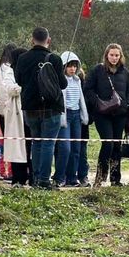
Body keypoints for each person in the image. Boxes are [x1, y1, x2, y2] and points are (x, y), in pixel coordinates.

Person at [15, 27, 67, 190]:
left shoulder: (22, 58)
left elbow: (19, 81)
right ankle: (45, 180)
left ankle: (36, 178)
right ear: (48, 40)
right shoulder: (55, 59)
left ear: (32, 40)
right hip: (51, 107)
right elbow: (63, 84)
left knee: (36, 142)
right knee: (48, 143)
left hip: (30, 107)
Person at [84, 43, 129, 187]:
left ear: (121, 56)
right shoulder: (98, 70)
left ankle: (115, 179)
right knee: (108, 144)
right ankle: (99, 177)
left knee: (117, 146)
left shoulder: (125, 72)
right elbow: (88, 89)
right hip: (102, 114)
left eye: (117, 55)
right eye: (111, 55)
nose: (114, 58)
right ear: (107, 55)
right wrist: (97, 103)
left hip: (120, 114)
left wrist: (127, 104)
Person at [0, 46, 32, 187]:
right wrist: (23, 87)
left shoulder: (28, 71)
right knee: (17, 145)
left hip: (27, 112)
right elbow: (8, 88)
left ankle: (30, 175)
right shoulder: (9, 72)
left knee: (29, 146)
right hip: (15, 114)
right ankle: (18, 176)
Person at [54, 51, 89, 187]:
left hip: (76, 116)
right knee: (65, 148)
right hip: (65, 116)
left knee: (76, 149)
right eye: (69, 66)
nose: (72, 69)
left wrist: (83, 115)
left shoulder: (77, 80)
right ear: (64, 66)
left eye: (75, 66)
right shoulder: (61, 80)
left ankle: (71, 178)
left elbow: (80, 99)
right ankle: (59, 177)